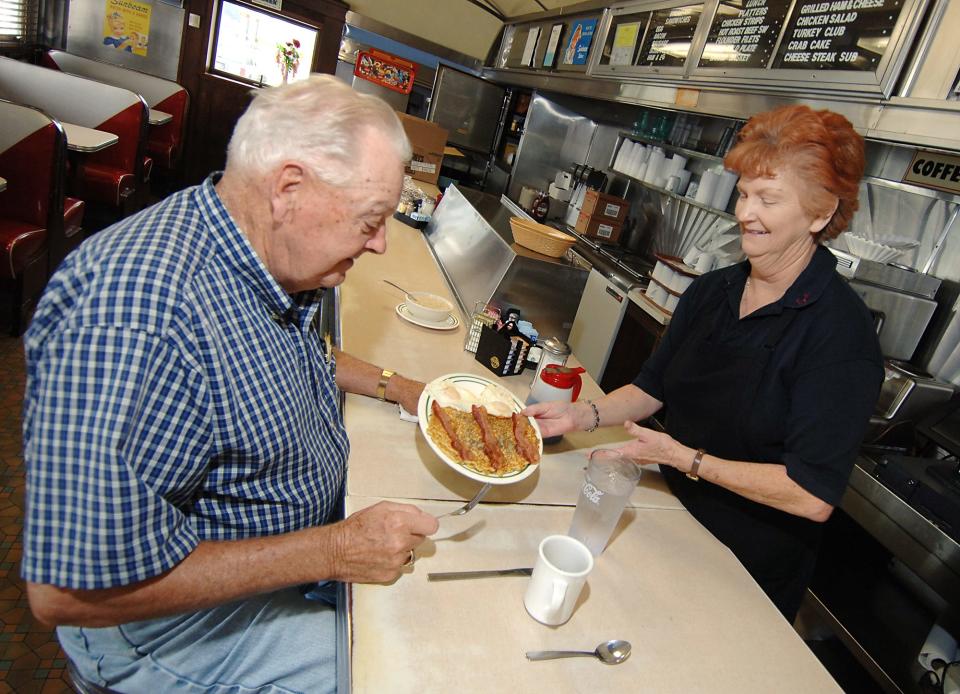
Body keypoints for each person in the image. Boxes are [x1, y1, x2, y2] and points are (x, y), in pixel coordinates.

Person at [22, 75, 439, 692]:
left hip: (276, 564)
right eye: (370, 220)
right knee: (398, 671)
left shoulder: (249, 246)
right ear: (289, 188)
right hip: (169, 627)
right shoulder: (138, 317)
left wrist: (397, 384)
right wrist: (333, 551)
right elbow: (68, 592)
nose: (379, 243)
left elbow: (286, 356)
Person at [526, 104, 883, 620]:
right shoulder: (715, 290)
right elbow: (654, 386)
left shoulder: (839, 336)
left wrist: (684, 459)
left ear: (821, 213)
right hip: (665, 515)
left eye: (768, 198)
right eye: (742, 193)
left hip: (743, 569)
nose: (744, 212)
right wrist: (582, 415)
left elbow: (811, 494)